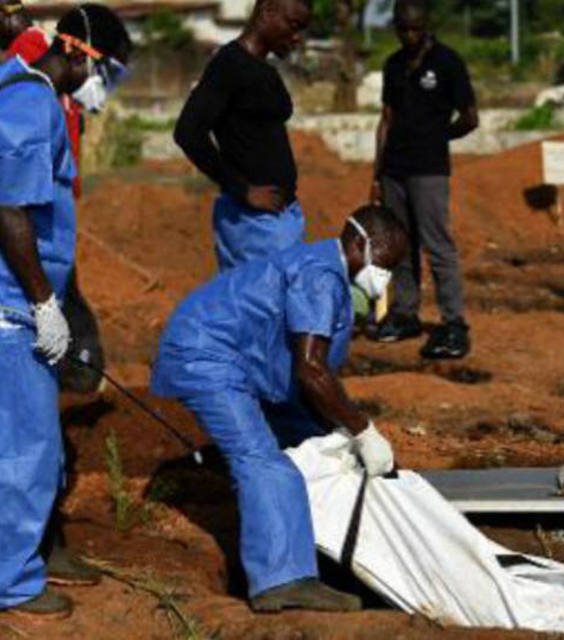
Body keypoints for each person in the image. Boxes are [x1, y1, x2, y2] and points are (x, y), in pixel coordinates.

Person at [151, 205, 407, 612]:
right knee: (263, 460)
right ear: (360, 244)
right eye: (384, 265)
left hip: (238, 358)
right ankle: (282, 581)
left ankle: (308, 543)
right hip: (206, 355)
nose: (384, 278)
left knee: (312, 438)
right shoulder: (320, 276)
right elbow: (310, 369)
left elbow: (309, 375)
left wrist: (337, 431)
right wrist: (362, 430)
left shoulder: (327, 273)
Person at [0, 3, 130, 618]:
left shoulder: (20, 92)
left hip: (13, 300)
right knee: (28, 451)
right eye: (109, 72)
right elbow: (9, 209)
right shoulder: (32, 101)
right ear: (79, 52)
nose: (105, 89)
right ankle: (14, 583)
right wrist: (46, 304)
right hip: (13, 305)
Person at [369, 0, 478, 359]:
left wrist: (439, 137)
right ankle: (405, 313)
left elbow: (470, 117)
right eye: (402, 28)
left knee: (437, 245)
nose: (408, 34)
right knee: (401, 245)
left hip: (429, 170)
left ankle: (453, 323)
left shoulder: (447, 63)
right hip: (394, 170)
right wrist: (377, 173)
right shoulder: (394, 65)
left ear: (426, 25)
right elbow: (386, 119)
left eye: (414, 27)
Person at [174, 0, 311, 271]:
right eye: (293, 26)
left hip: (278, 217)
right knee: (266, 305)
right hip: (253, 223)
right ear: (268, 11)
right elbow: (188, 132)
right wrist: (242, 189)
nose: (297, 38)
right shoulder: (228, 66)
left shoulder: (265, 71)